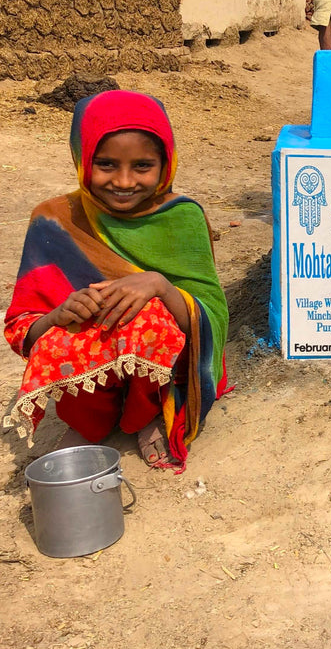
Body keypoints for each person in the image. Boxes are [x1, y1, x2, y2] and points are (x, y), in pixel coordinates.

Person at [3, 90, 228, 471]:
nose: (124, 181)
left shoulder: (182, 218)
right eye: (106, 164)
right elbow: (23, 326)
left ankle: (145, 416)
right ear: (83, 159)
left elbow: (211, 316)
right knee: (68, 331)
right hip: (95, 362)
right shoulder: (55, 220)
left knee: (149, 315)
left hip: (161, 369)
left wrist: (160, 284)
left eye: (143, 166)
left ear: (166, 164)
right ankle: (89, 423)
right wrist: (58, 315)